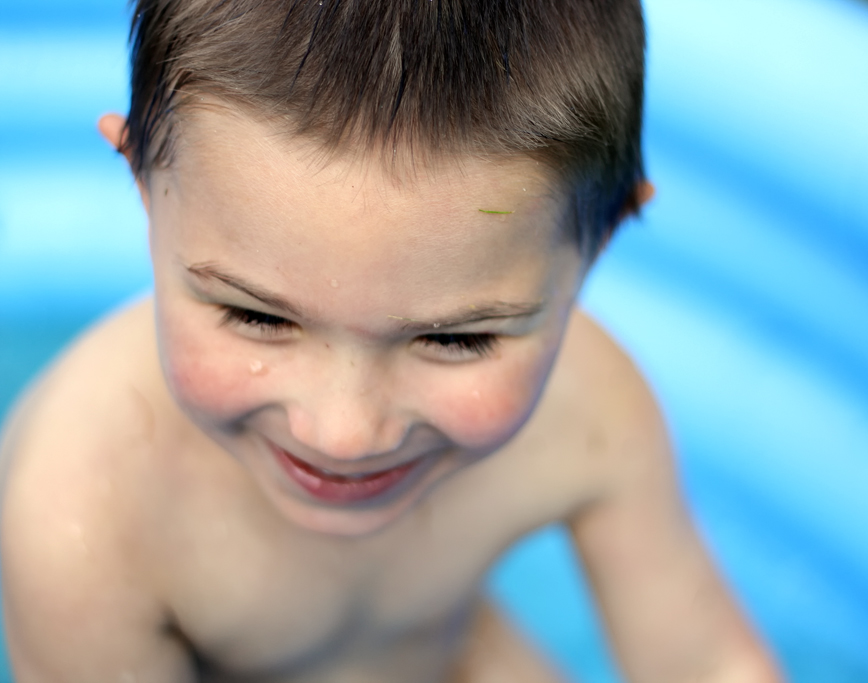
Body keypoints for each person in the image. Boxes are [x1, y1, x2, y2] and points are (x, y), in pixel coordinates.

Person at [0, 1, 781, 681]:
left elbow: (705, 664)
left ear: (603, 236)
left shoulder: (589, 414)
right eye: (259, 317)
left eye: (454, 337)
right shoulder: (81, 516)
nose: (343, 431)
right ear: (143, 179)